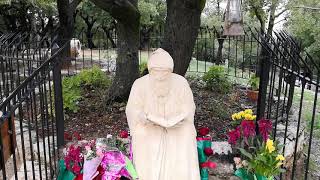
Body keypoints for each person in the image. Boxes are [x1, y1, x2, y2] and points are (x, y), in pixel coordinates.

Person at [125, 48, 200, 180]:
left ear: (170, 71)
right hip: (149, 126)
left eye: (164, 73)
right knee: (142, 133)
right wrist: (141, 116)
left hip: (176, 126)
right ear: (150, 70)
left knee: (187, 132)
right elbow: (132, 109)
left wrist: (181, 118)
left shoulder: (181, 82)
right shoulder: (139, 84)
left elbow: (189, 107)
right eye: (156, 72)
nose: (160, 77)